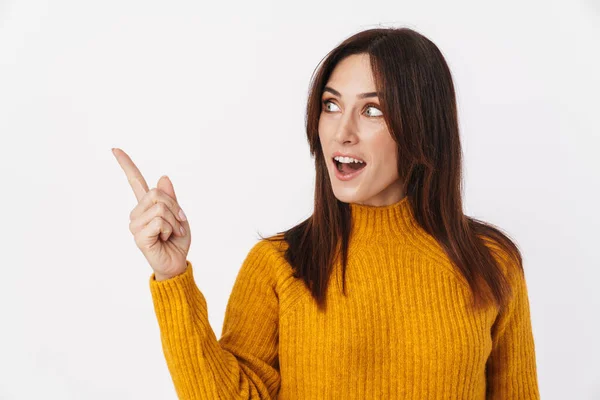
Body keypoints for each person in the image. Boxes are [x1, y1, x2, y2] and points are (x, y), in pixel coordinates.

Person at [113, 26, 540, 399]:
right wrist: (173, 277)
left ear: (423, 126)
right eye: (331, 105)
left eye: (372, 110)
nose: (342, 131)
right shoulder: (279, 264)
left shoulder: (491, 262)